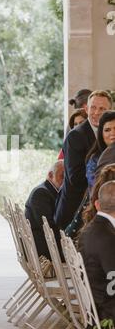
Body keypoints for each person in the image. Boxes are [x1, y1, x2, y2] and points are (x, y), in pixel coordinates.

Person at [55, 90, 113, 230]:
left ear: (109, 110)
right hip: (75, 212)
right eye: (93, 107)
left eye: (102, 109)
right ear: (86, 108)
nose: (96, 112)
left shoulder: (107, 134)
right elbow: (76, 177)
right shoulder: (76, 136)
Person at [79, 181, 115, 329]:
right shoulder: (108, 237)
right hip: (106, 315)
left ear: (97, 204)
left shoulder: (89, 229)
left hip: (93, 306)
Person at [25, 160, 64, 260]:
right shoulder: (41, 193)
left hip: (45, 241)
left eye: (66, 177)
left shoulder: (48, 190)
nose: (65, 181)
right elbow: (47, 226)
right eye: (62, 176)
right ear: (51, 175)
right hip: (43, 247)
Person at [85, 111, 115, 190]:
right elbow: (96, 189)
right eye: (107, 130)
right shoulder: (95, 159)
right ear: (101, 134)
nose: (113, 133)